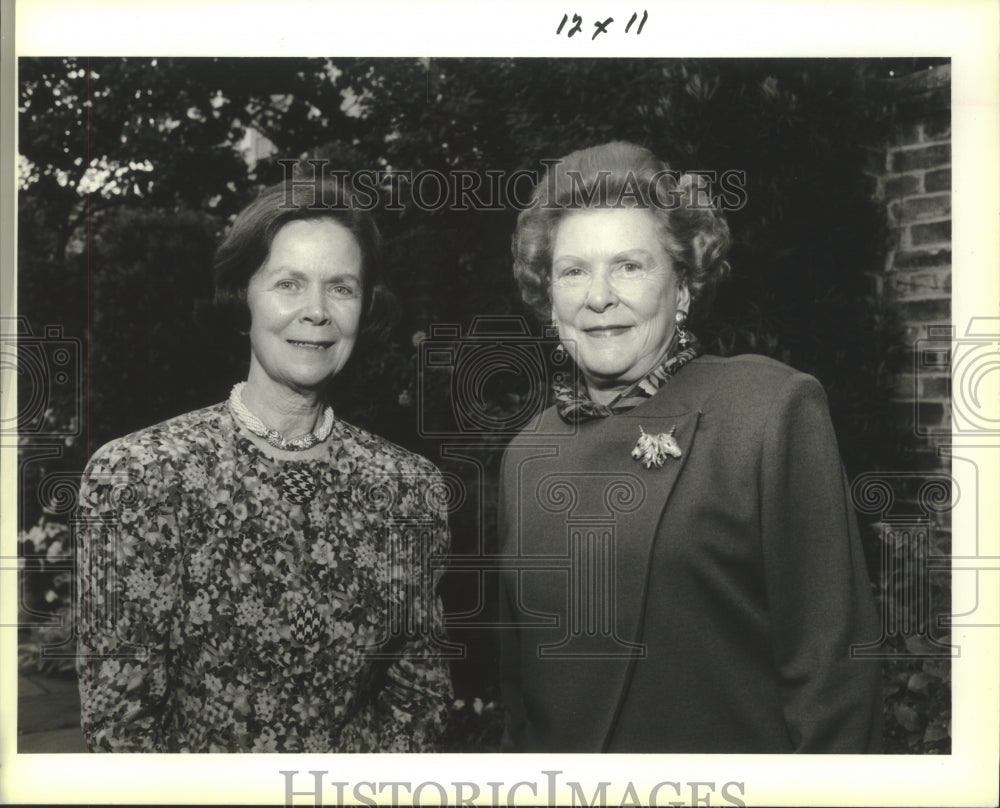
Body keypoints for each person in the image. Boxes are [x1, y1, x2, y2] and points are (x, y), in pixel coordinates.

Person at [498, 141, 882, 753]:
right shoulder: (526, 451)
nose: (599, 296)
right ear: (549, 298)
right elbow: (521, 695)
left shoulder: (767, 409)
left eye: (629, 265)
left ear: (681, 289)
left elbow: (834, 679)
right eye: (573, 270)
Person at [75, 176, 453, 752]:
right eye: (288, 284)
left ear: (366, 306)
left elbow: (418, 696)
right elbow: (121, 728)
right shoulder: (140, 476)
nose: (317, 312)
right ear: (242, 297)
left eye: (342, 288)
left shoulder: (410, 490)